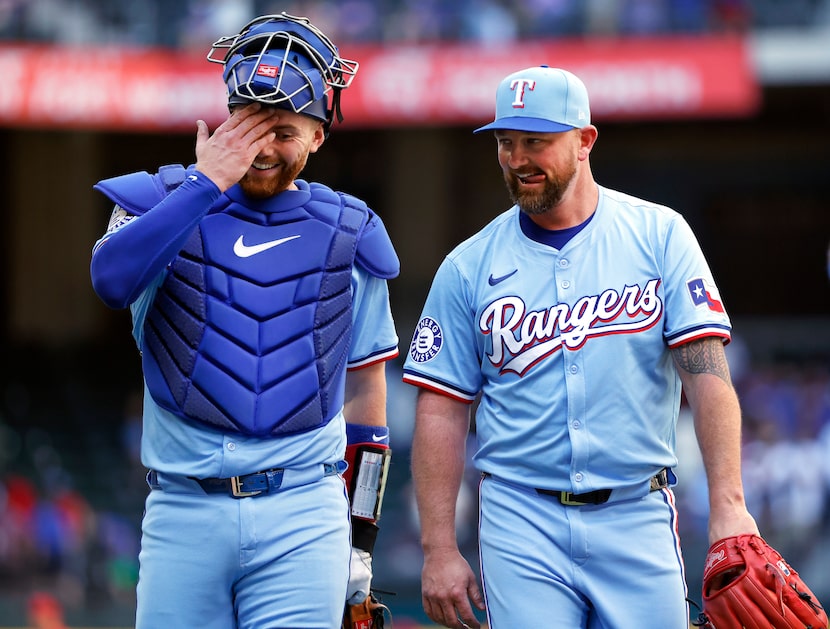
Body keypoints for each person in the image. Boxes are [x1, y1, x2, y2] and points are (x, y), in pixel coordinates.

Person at [402, 65, 760, 629]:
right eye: (505, 142)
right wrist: (438, 549)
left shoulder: (660, 234)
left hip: (637, 510)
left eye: (536, 142)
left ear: (585, 141)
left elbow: (706, 373)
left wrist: (730, 505)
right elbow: (441, 410)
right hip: (521, 519)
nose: (517, 158)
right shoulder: (467, 266)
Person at [89, 13, 399, 629]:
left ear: (318, 137)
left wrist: (360, 539)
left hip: (303, 510)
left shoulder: (351, 231)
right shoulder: (162, 200)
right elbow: (108, 282)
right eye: (248, 124)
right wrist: (205, 184)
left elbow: (367, 391)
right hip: (184, 506)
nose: (260, 148)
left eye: (283, 131)